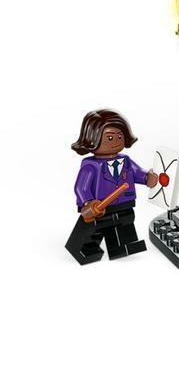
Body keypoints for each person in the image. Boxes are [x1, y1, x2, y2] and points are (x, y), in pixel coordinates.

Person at [66, 109, 158, 264]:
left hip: (124, 202)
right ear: (92, 139)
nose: (115, 141)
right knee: (94, 226)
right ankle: (86, 248)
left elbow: (137, 173)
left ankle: (123, 246)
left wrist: (147, 178)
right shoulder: (91, 165)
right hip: (99, 206)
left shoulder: (125, 160)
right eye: (109, 137)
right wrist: (87, 202)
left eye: (120, 136)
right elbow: (81, 187)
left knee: (125, 221)